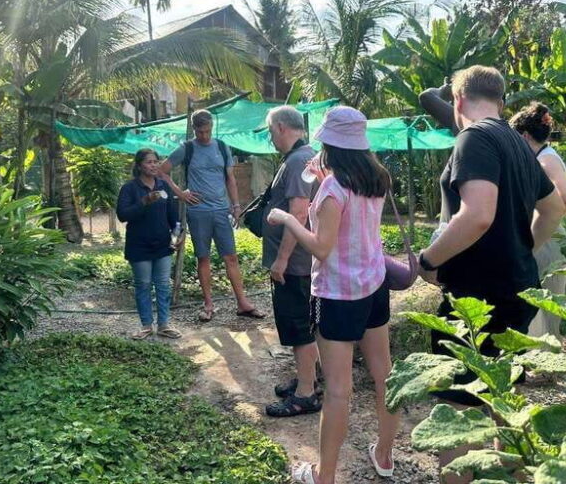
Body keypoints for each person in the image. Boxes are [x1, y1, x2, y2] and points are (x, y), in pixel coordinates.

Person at [416, 66, 565, 484]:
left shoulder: (474, 137)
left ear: (459, 100)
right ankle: (509, 475)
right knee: (503, 393)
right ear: (501, 100)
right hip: (518, 290)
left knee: (456, 410)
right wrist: (523, 249)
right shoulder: (517, 144)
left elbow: (478, 215)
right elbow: (555, 207)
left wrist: (429, 261)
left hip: (475, 300)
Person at [267, 106, 400, 484]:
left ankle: (324, 476)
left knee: (339, 390)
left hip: (338, 294)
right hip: (374, 287)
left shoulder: (332, 186)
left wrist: (289, 218)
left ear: (330, 143)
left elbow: (321, 248)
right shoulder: (375, 179)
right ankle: (385, 456)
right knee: (383, 375)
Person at [159, 109, 263, 322]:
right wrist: (181, 193)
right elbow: (162, 171)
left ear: (212, 127)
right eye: (200, 132)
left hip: (221, 210)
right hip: (198, 212)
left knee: (231, 257)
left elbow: (230, 179)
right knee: (203, 257)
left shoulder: (222, 147)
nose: (204, 136)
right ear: (194, 129)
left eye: (207, 131)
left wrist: (235, 205)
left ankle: (242, 303)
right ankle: (208, 304)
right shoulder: (186, 149)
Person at [262, 106, 322, 418]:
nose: (271, 138)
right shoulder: (304, 157)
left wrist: (281, 260)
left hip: (294, 263)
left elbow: (298, 213)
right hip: (301, 261)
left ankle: (305, 395)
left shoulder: (299, 160)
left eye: (271, 131)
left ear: (282, 127)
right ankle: (307, 379)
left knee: (298, 327)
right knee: (303, 325)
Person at [510, 102, 566, 338]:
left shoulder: (544, 160)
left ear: (525, 136)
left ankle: (550, 366)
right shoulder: (544, 156)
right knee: (542, 303)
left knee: (546, 304)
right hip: (546, 236)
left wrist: (545, 224)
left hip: (547, 239)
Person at [116, 148, 182, 340]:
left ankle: (164, 325)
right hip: (139, 245)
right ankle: (146, 325)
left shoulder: (164, 186)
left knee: (162, 285)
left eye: (156, 161)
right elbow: (123, 215)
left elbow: (174, 217)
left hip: (163, 245)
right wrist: (144, 201)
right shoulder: (130, 188)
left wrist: (177, 236)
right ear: (139, 166)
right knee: (143, 285)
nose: (153, 165)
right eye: (149, 162)